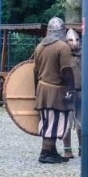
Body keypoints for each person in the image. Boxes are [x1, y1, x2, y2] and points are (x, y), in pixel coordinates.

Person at [32, 16, 75, 164]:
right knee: (54, 122)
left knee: (48, 121)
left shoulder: (39, 47)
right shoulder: (62, 47)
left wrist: (35, 92)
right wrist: (71, 90)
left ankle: (52, 152)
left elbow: (35, 72)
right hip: (56, 91)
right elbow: (66, 71)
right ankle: (45, 153)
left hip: (42, 89)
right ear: (62, 31)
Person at [62, 27, 83, 159]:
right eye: (70, 40)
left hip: (82, 91)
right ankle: (67, 150)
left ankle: (82, 149)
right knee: (67, 122)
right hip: (67, 91)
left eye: (76, 39)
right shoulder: (63, 54)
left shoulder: (86, 54)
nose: (74, 42)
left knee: (82, 121)